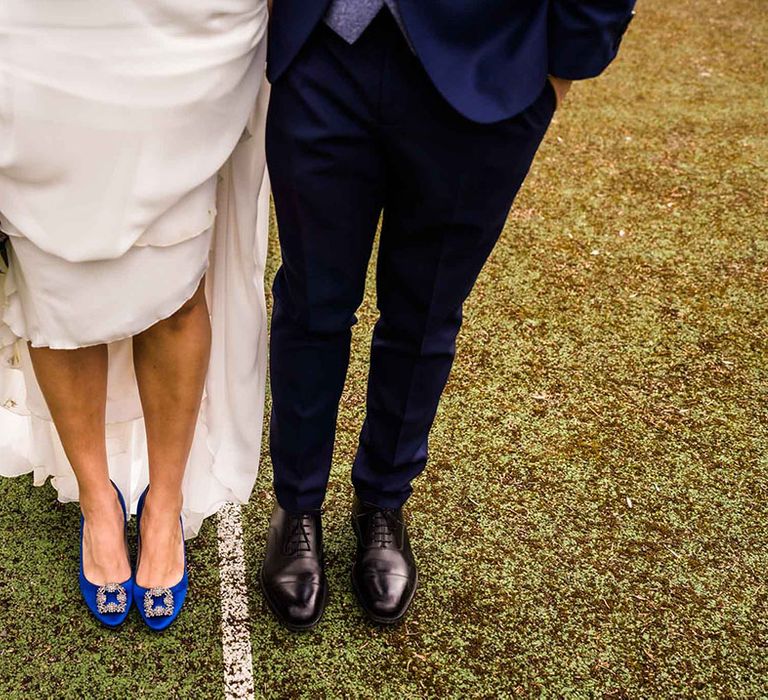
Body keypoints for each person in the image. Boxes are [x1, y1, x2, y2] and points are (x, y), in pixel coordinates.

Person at [260, 0, 636, 630]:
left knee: (424, 313)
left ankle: (383, 501)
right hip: (321, 53)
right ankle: (297, 506)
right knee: (312, 302)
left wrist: (561, 71)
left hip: (485, 71)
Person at [0, 1, 270, 629]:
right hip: (39, 37)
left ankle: (164, 502)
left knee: (174, 282)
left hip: (180, 35)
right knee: (55, 282)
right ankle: (99, 503)